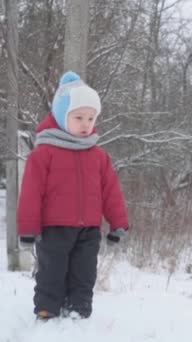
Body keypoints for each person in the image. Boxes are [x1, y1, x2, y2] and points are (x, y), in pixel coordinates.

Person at [17, 71, 129, 320]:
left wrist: (118, 224)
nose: (85, 123)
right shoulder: (44, 152)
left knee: (84, 273)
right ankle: (47, 310)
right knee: (52, 271)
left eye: (90, 118)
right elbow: (31, 193)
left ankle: (79, 312)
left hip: (89, 230)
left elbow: (111, 192)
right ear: (60, 115)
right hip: (54, 228)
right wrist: (27, 228)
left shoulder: (98, 155)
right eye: (78, 117)